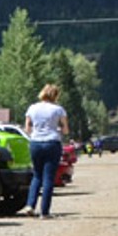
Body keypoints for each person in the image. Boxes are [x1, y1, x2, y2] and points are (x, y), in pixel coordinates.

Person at [19, 83, 70, 218]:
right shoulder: (58, 110)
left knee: (37, 175)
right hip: (52, 142)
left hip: (35, 142)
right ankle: (44, 212)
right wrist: (58, 129)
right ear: (55, 95)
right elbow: (65, 129)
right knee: (48, 178)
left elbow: (27, 129)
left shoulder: (32, 108)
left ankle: (30, 205)